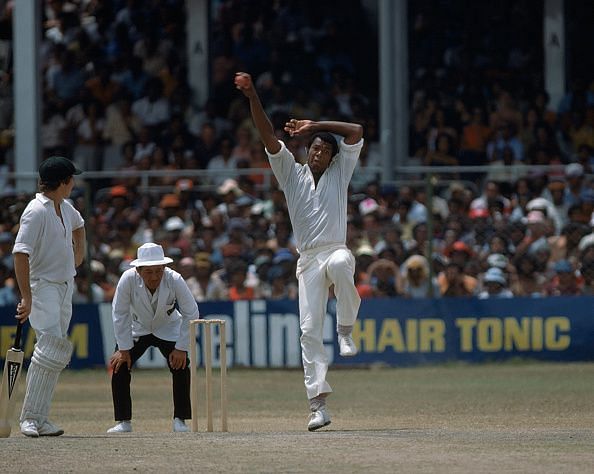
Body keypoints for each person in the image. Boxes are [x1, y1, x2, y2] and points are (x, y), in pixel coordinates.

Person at [235, 71, 364, 431]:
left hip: (335, 248)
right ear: (307, 152)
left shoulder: (341, 172)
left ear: (334, 158)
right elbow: (267, 135)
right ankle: (317, 405)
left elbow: (355, 130)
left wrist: (315, 125)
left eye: (325, 149)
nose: (319, 151)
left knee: (341, 262)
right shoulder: (291, 174)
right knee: (308, 330)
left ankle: (346, 328)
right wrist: (252, 96)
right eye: (315, 147)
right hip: (307, 260)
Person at [13, 156, 86, 437]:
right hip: (42, 285)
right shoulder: (36, 211)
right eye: (72, 179)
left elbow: (80, 227)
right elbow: (20, 253)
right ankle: (29, 418)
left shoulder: (65, 208)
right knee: (50, 345)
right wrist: (27, 297)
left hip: (65, 285)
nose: (74, 183)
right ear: (64, 182)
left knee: (55, 353)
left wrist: (78, 254)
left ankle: (40, 418)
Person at [107, 243, 200, 433]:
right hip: (137, 328)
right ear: (138, 270)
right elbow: (120, 313)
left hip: (169, 327)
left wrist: (182, 347)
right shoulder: (127, 279)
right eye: (149, 272)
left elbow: (191, 312)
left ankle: (180, 420)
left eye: (159, 271)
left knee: (182, 366)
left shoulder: (174, 279)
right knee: (119, 366)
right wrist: (123, 350)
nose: (155, 276)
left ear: (164, 268)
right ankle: (123, 421)